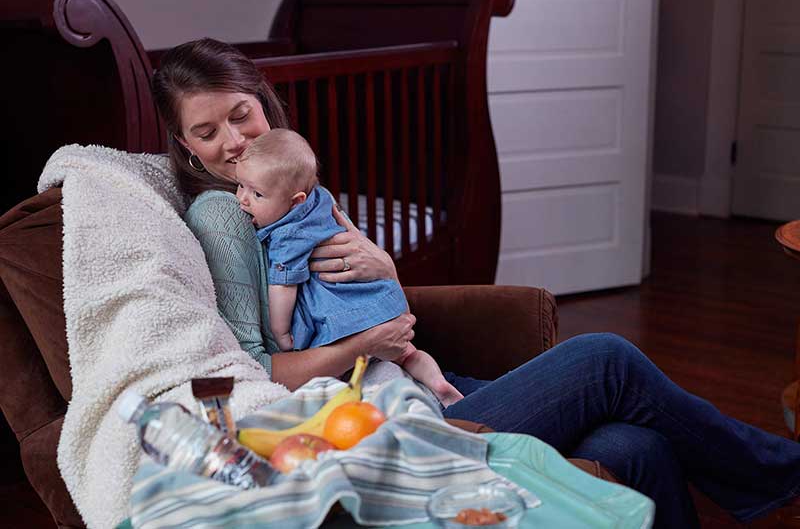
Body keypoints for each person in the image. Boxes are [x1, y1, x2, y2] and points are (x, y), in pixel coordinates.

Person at [151, 37, 800, 528]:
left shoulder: (290, 186)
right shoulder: (222, 212)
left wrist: (386, 269)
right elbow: (253, 368)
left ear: (263, 102)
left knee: (633, 441)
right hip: (365, 414)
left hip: (404, 378)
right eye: (206, 132)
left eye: (242, 115)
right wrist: (368, 342)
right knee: (604, 359)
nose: (234, 142)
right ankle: (784, 470)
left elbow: (365, 293)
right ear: (182, 144)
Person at [234, 128, 464, 407]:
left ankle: (405, 401)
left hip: (341, 313)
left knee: (359, 374)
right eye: (240, 186)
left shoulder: (288, 233)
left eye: (257, 194)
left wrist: (281, 333)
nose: (242, 199)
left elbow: (284, 284)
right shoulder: (323, 199)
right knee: (407, 353)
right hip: (373, 296)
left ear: (296, 201)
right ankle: (438, 383)